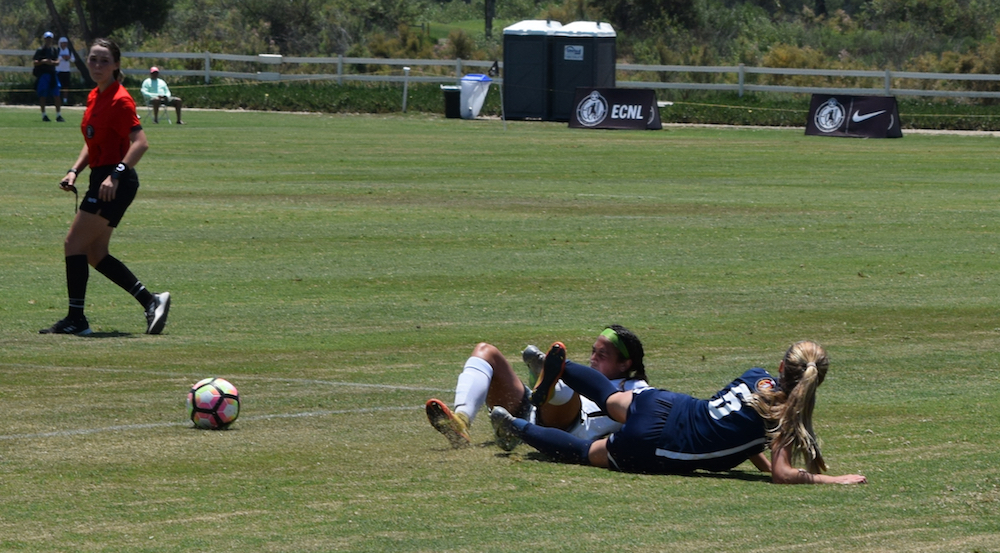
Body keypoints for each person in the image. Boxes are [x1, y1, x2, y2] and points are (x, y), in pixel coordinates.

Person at [492, 340, 868, 485]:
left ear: (781, 366)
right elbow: (784, 474)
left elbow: (732, 426)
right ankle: (514, 426)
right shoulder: (783, 418)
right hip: (662, 441)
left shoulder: (757, 379)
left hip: (669, 405)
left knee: (608, 397)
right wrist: (834, 480)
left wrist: (760, 462)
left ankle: (557, 366)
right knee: (582, 453)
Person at [40, 38, 171, 336]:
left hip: (114, 182)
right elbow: (92, 143)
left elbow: (141, 143)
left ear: (115, 65)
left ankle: (76, 319)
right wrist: (74, 171)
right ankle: (151, 301)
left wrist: (116, 174)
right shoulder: (94, 96)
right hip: (101, 178)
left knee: (73, 244)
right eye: (93, 60)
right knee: (95, 253)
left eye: (104, 61)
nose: (97, 66)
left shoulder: (120, 99)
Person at [425, 325, 650, 450]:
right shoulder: (586, 373)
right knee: (485, 351)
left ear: (625, 364)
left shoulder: (637, 388)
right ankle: (462, 421)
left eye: (602, 355)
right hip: (531, 409)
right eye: (593, 351)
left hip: (566, 428)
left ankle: (545, 380)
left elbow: (650, 418)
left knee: (568, 390)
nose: (593, 358)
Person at [33, 31, 63, 122]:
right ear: (44, 39)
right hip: (43, 75)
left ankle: (58, 115)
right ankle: (44, 115)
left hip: (53, 74)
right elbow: (35, 62)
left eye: (50, 38)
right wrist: (43, 61)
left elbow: (57, 62)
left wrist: (52, 63)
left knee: (57, 94)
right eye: (47, 38)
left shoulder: (54, 50)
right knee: (43, 95)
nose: (48, 40)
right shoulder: (40, 50)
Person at [56, 37, 75, 105]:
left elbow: (73, 59)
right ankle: (57, 100)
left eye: (65, 43)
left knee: (66, 86)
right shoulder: (57, 50)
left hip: (66, 71)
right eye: (63, 43)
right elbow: (55, 58)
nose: (64, 44)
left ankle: (65, 101)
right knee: (57, 86)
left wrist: (69, 58)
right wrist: (62, 57)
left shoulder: (69, 50)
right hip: (58, 70)